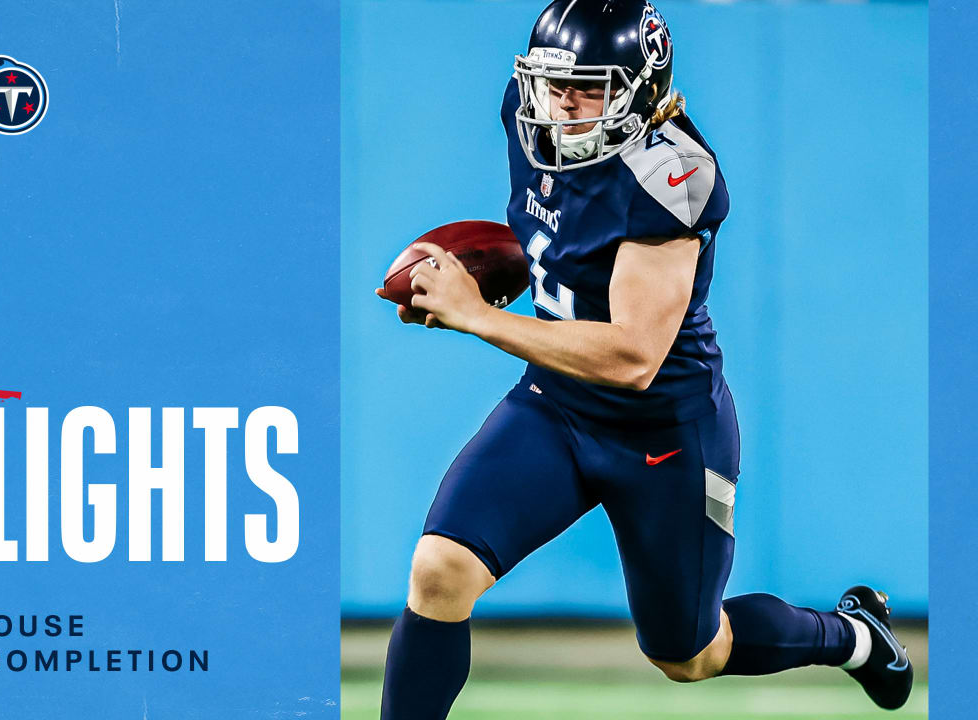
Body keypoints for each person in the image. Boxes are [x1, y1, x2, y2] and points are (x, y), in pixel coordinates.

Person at [373, 1, 914, 718]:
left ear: (642, 91)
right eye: (553, 82)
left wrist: (474, 316)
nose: (562, 104)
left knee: (690, 654)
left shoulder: (673, 175)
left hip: (664, 433)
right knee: (440, 570)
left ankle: (853, 636)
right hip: (558, 405)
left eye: (589, 89)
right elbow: (558, 221)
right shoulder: (529, 115)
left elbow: (633, 355)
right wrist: (494, 271)